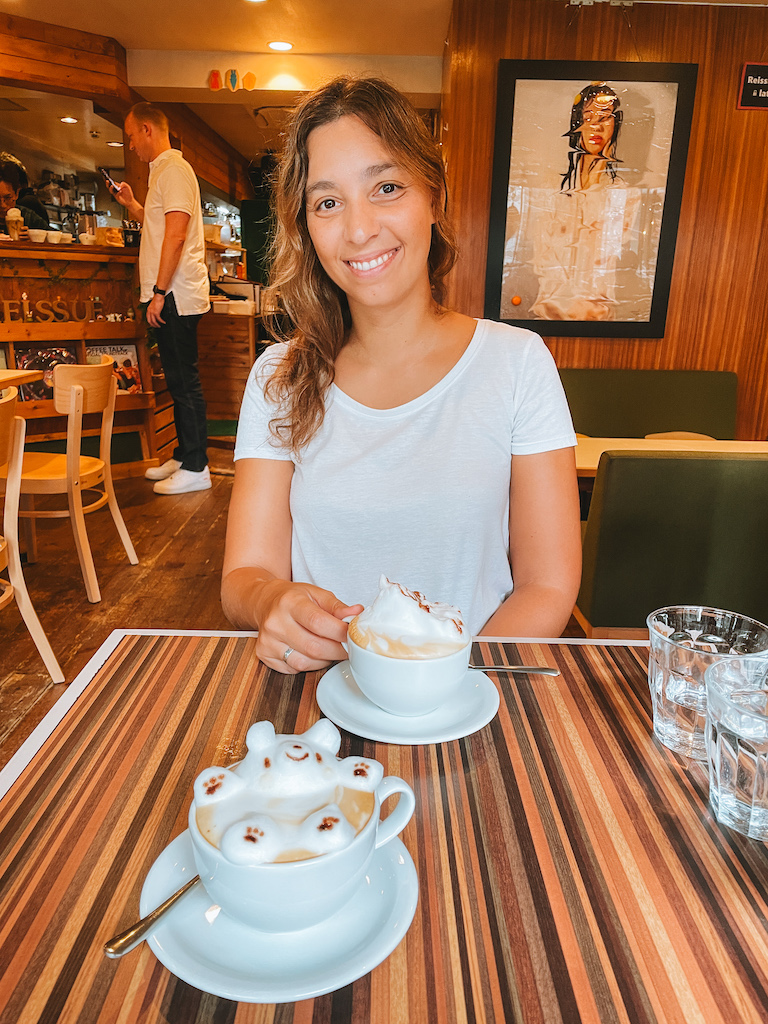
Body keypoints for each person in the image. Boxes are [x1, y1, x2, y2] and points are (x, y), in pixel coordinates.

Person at [222, 77, 581, 675]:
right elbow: (243, 576)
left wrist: (433, 688)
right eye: (328, 202)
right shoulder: (277, 377)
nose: (359, 230)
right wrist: (272, 601)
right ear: (306, 227)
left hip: (472, 695)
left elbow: (546, 586)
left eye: (386, 188)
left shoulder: (517, 362)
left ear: (433, 198)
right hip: (319, 706)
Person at [112, 102, 211, 494]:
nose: (131, 144)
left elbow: (176, 235)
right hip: (169, 294)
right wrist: (133, 206)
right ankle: (186, 455)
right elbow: (158, 229)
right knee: (175, 376)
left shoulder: (174, 170)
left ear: (148, 129)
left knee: (184, 380)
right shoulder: (163, 174)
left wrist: (158, 292)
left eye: (132, 135)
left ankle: (198, 466)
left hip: (175, 295)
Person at [527, 83, 644, 322]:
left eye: (605, 117)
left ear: (615, 124)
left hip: (598, 322)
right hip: (546, 318)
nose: (596, 126)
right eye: (588, 117)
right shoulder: (552, 192)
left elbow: (615, 263)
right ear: (577, 124)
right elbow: (540, 259)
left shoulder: (625, 196)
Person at [0, 159, 49, 237]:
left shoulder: (29, 217)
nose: (2, 205)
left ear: (17, 194)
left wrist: (34, 239)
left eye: (8, 198)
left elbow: (56, 239)